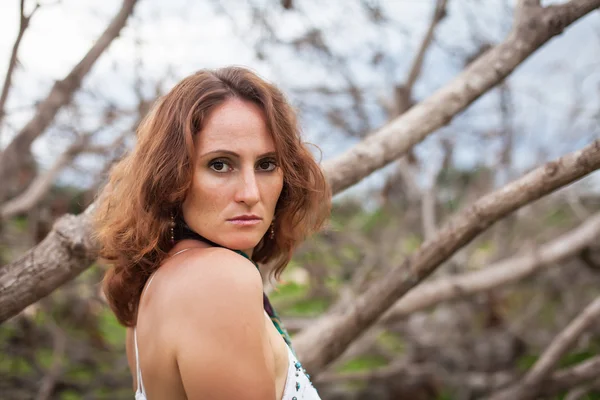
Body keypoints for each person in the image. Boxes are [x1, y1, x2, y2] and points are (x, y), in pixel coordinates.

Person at [93, 66, 331, 399]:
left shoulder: (153, 284)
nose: (250, 192)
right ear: (172, 178)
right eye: (220, 164)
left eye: (266, 164)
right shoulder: (218, 280)